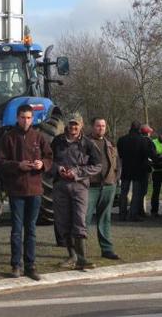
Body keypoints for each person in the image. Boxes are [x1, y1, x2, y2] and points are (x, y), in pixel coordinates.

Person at [0, 104, 53, 280]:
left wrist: (42, 164)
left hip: (35, 190)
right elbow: (0, 162)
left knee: (31, 230)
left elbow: (49, 157)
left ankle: (31, 265)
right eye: (23, 117)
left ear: (33, 118)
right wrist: (17, 165)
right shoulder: (8, 138)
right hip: (17, 190)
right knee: (16, 230)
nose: (26, 120)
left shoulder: (39, 137)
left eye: (29, 117)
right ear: (17, 117)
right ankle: (16, 265)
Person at [50, 113, 101, 271]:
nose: (73, 127)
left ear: (81, 126)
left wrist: (77, 172)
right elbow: (48, 161)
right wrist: (58, 169)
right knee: (63, 221)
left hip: (79, 186)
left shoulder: (88, 143)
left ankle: (82, 258)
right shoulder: (57, 141)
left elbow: (98, 165)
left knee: (79, 220)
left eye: (76, 125)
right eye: (71, 124)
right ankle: (71, 255)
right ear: (67, 125)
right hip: (60, 186)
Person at [86, 117, 120, 261]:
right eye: (98, 126)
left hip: (108, 186)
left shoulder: (110, 143)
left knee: (105, 219)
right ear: (92, 127)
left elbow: (117, 163)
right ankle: (81, 252)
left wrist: (115, 179)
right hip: (90, 187)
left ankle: (107, 249)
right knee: (84, 220)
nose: (101, 128)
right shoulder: (85, 143)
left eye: (103, 126)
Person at [116, 121, 152, 222]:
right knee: (136, 194)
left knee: (124, 193)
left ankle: (122, 214)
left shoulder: (122, 139)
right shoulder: (143, 140)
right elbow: (146, 155)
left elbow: (120, 154)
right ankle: (133, 214)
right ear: (139, 129)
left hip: (126, 169)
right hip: (138, 170)